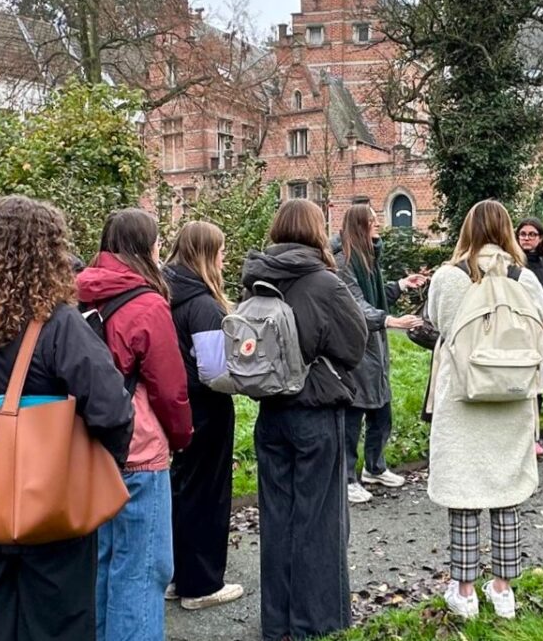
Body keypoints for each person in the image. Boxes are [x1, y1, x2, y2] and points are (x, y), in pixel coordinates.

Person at [0, 196, 135, 641]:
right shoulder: (57, 324)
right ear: (49, 251)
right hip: (52, 502)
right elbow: (111, 408)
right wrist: (96, 461)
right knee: (60, 626)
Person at [242, 198, 367, 641]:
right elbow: (354, 346)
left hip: (270, 411)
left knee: (277, 519)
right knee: (319, 520)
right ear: (316, 229)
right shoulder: (324, 283)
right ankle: (318, 624)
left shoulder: (255, 278)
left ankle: (277, 623)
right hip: (315, 410)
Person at [426, 200, 543, 620]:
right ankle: (503, 589)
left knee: (463, 493)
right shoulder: (525, 277)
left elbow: (436, 322)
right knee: (506, 493)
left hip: (462, 395)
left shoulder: (448, 277)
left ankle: (465, 591)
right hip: (512, 395)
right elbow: (542, 321)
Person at [77, 208, 193, 641]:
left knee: (105, 562)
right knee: (144, 567)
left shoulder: (79, 294)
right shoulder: (147, 304)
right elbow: (169, 386)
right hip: (139, 448)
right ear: (147, 247)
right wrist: (181, 436)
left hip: (90, 445)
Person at [164, 222, 245, 609]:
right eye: (221, 250)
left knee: (181, 490)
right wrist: (246, 383)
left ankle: (179, 576)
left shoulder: (165, 293)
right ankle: (202, 585)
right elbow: (213, 371)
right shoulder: (204, 304)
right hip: (207, 409)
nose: (225, 258)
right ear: (207, 254)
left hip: (176, 406)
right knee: (208, 496)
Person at [333, 204, 427, 504]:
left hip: (375, 346)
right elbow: (354, 305)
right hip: (355, 347)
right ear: (359, 226)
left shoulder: (369, 256)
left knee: (381, 410)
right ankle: (347, 477)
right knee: (354, 413)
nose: (378, 226)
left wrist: (400, 285)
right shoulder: (343, 262)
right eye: (372, 221)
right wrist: (391, 321)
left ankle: (375, 467)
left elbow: (374, 295)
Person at [516, 217, 543, 456]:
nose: (527, 238)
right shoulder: (512, 265)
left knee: (539, 384)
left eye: (532, 234)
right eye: (523, 234)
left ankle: (533, 434)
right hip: (521, 332)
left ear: (540, 238)